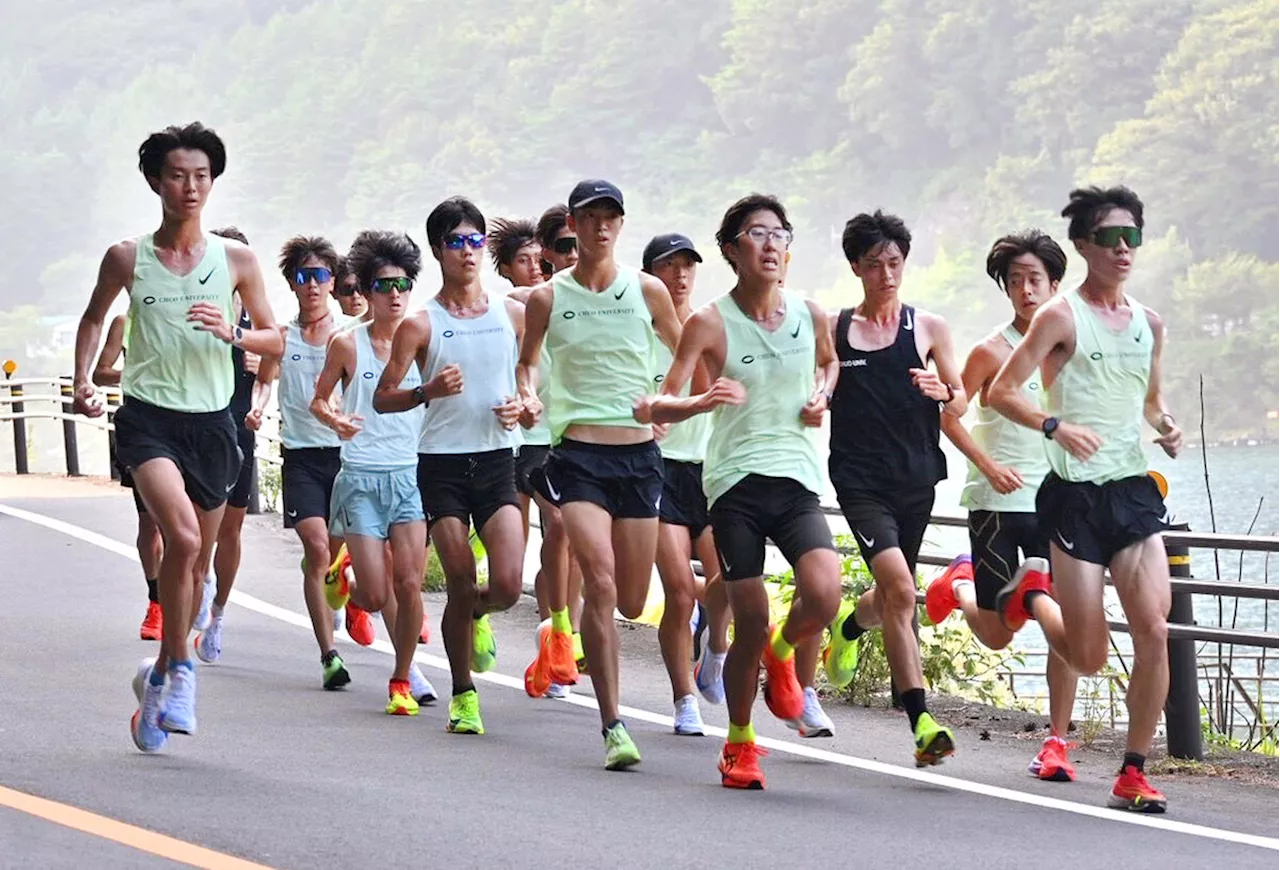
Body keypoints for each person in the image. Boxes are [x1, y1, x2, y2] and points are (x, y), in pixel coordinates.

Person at [73, 122, 283, 753]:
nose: (190, 187)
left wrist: (235, 335)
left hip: (213, 424)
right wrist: (84, 379)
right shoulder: (126, 258)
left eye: (201, 176)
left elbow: (276, 338)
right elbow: (91, 318)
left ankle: (157, 677)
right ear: (155, 182)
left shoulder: (237, 260)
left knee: (193, 566)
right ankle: (184, 670)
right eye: (176, 176)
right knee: (183, 540)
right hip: (148, 419)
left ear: (212, 182)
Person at [636, 194, 841, 789]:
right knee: (750, 617)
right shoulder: (709, 321)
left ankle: (783, 654)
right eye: (757, 233)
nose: (773, 244)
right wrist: (702, 400)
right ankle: (741, 742)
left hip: (797, 476)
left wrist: (822, 394)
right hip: (734, 486)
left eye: (781, 233)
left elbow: (828, 364)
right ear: (732, 250)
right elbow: (661, 403)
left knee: (824, 595)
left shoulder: (810, 312)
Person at [989, 186, 1181, 813]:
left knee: (1155, 627)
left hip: (1131, 494)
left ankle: (1133, 770)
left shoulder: (1150, 324)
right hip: (1072, 498)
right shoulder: (1061, 317)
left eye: (1132, 238)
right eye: (1109, 238)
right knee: (1091, 656)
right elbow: (1001, 390)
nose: (1123, 250)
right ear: (1083, 246)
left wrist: (1166, 426)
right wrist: (1053, 426)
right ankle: (1033, 596)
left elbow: (1150, 402)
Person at [518, 180, 682, 769]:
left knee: (635, 601)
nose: (601, 227)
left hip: (639, 459)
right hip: (578, 456)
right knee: (602, 580)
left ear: (620, 223)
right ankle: (614, 724)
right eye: (591, 217)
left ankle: (563, 638)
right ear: (573, 223)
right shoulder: (547, 297)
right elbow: (527, 365)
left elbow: (687, 356)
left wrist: (669, 404)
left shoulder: (648, 290)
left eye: (611, 217)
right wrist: (530, 400)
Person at [928, 229, 1081, 782]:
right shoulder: (989, 351)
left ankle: (1057, 740)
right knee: (997, 635)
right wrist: (988, 464)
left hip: (1059, 502)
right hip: (996, 501)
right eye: (1014, 281)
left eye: (1034, 279)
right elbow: (952, 414)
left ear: (1055, 284)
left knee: (1060, 618)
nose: (1024, 290)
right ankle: (959, 584)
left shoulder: (1070, 348)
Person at [375, 197, 528, 734]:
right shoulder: (420, 324)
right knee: (460, 581)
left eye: (476, 241)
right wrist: (428, 389)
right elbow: (383, 397)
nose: (468, 251)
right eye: (457, 242)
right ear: (439, 251)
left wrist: (523, 405)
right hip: (440, 465)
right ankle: (465, 693)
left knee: (507, 584)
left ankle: (478, 615)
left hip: (495, 463)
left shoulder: (511, 313)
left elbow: (529, 382)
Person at [821, 209, 967, 766]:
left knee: (890, 596)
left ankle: (850, 625)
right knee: (903, 593)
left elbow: (959, 400)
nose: (887, 273)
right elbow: (819, 386)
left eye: (895, 262)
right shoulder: (835, 332)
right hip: (860, 484)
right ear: (856, 267)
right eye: (876, 264)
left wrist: (940, 389)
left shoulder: (927, 328)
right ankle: (922, 722)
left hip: (917, 480)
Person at [311, 230, 438, 715]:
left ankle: (401, 679)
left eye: (403, 284)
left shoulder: (424, 341)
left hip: (410, 476)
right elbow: (319, 399)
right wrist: (334, 418)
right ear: (365, 289)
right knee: (375, 591)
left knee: (408, 586)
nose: (396, 295)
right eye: (384, 285)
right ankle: (346, 573)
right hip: (361, 476)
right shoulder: (348, 344)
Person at [248, 235, 359, 688]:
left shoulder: (349, 338)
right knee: (316, 548)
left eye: (320, 276)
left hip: (347, 457)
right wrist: (257, 405)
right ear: (292, 284)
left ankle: (345, 591)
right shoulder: (283, 337)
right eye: (302, 276)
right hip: (301, 457)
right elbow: (265, 380)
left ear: (333, 282)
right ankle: (329, 655)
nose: (312, 285)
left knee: (338, 557)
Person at [640, 231, 728, 735]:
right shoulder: (637, 332)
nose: (679, 275)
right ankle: (684, 699)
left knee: (733, 583)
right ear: (651, 274)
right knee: (678, 591)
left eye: (687, 266)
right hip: (658, 470)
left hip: (713, 471)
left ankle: (714, 651)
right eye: (668, 266)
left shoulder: (712, 327)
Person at [510, 205, 584, 700]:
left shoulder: (611, 298)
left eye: (576, 244)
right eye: (561, 246)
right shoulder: (526, 302)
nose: (572, 254)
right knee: (528, 552)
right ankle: (555, 630)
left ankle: (561, 637)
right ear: (546, 253)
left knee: (570, 539)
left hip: (577, 435)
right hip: (531, 438)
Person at [193, 225, 262, 665]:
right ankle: (198, 588)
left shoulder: (256, 322)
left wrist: (260, 366)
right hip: (198, 432)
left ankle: (217, 614)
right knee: (199, 531)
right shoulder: (196, 312)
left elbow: (276, 371)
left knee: (231, 531)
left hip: (241, 428)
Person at [93, 312, 163, 640]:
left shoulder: (191, 310)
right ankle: (156, 600)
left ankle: (194, 589)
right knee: (150, 523)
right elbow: (101, 373)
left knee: (189, 524)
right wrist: (135, 370)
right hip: (143, 430)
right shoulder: (126, 321)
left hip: (193, 426)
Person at [332, 254, 369, 321]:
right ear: (334, 293)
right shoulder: (330, 329)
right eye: (347, 290)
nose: (355, 295)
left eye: (360, 288)